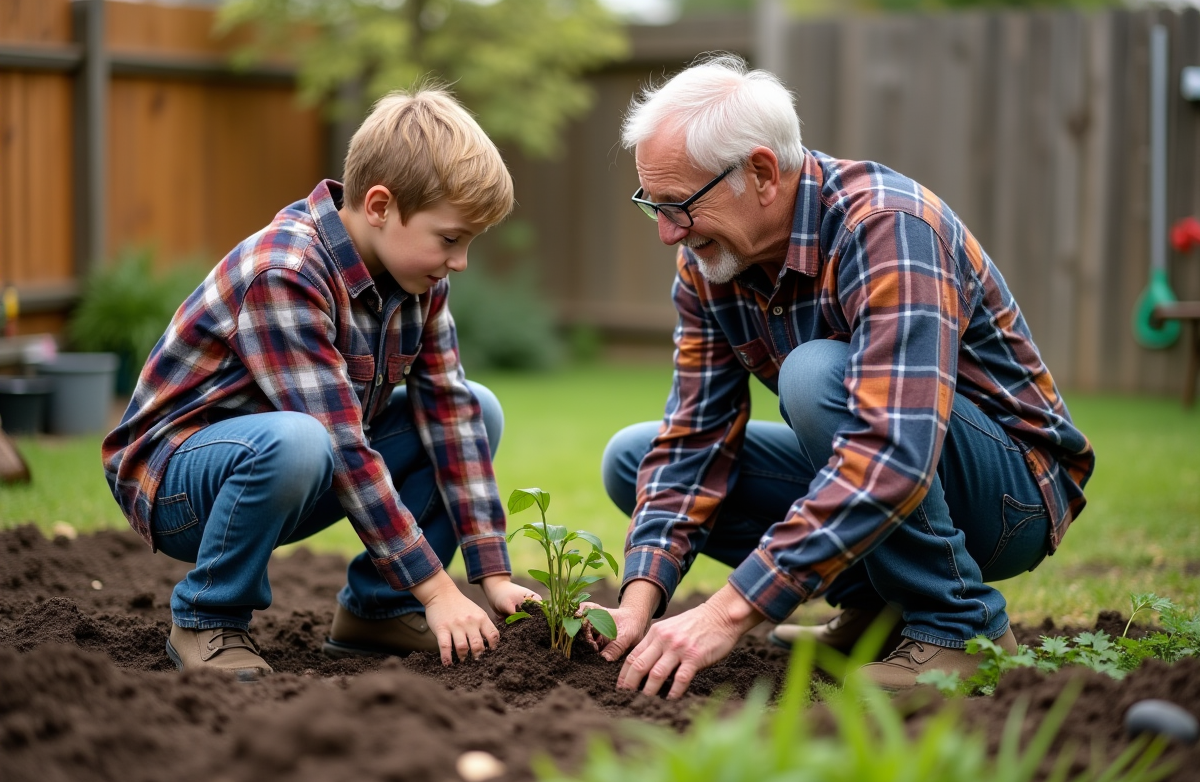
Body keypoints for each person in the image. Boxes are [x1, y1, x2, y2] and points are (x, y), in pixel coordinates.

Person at [593, 54, 1094, 697]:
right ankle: (879, 613)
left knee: (817, 376)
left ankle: (961, 628)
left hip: (1011, 497)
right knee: (634, 458)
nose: (666, 233)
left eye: (678, 205)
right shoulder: (709, 262)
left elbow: (894, 451)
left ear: (763, 173)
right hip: (897, 465)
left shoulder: (887, 228)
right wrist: (639, 602)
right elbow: (695, 436)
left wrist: (730, 610)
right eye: (651, 205)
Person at [102, 87, 537, 680]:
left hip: (289, 464)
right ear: (380, 206)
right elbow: (341, 446)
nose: (459, 261)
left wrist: (492, 573)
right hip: (176, 482)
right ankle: (207, 617)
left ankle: (382, 610)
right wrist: (440, 590)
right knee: (303, 440)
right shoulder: (287, 271)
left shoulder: (420, 283)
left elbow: (451, 415)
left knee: (477, 411)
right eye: (451, 238)